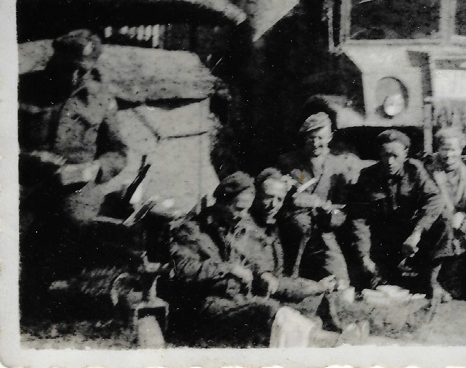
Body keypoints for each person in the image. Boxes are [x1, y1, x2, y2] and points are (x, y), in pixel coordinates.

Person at [169, 172, 368, 347]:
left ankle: (328, 338)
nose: (242, 216)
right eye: (238, 209)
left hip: (238, 299)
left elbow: (249, 262)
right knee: (266, 310)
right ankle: (331, 343)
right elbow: (183, 268)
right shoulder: (193, 229)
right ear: (221, 202)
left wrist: (261, 274)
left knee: (294, 305)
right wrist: (227, 268)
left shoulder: (237, 228)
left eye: (246, 210)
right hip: (207, 307)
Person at [19, 30, 128, 309]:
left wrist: (95, 169)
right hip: (22, 177)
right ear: (54, 61)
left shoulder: (101, 99)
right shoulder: (21, 88)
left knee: (76, 222)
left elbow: (118, 152)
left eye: (82, 71)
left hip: (76, 185)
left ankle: (51, 288)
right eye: (66, 69)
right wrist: (32, 158)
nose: (73, 78)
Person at [346, 130, 449, 299]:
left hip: (409, 238)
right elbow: (359, 219)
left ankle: (430, 281)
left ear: (405, 153)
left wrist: (417, 232)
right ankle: (388, 277)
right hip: (382, 241)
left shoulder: (415, 170)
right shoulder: (368, 177)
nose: (390, 161)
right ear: (379, 154)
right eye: (385, 155)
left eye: (395, 155)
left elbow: (434, 199)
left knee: (442, 221)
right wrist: (363, 255)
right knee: (375, 284)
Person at [276, 112, 361, 286]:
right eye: (310, 138)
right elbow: (282, 194)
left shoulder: (339, 166)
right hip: (294, 227)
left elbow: (342, 206)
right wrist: (290, 195)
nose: (315, 143)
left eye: (320, 138)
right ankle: (289, 280)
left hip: (323, 228)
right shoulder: (289, 162)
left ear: (330, 137)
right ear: (304, 139)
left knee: (341, 280)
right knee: (297, 237)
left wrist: (331, 215)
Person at [424, 127, 466, 301]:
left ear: (460, 150)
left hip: (458, 217)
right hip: (434, 216)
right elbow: (426, 199)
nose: (449, 154)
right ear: (438, 149)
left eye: (453, 149)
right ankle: (435, 283)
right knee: (445, 229)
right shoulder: (429, 171)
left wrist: (464, 214)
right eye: (444, 149)